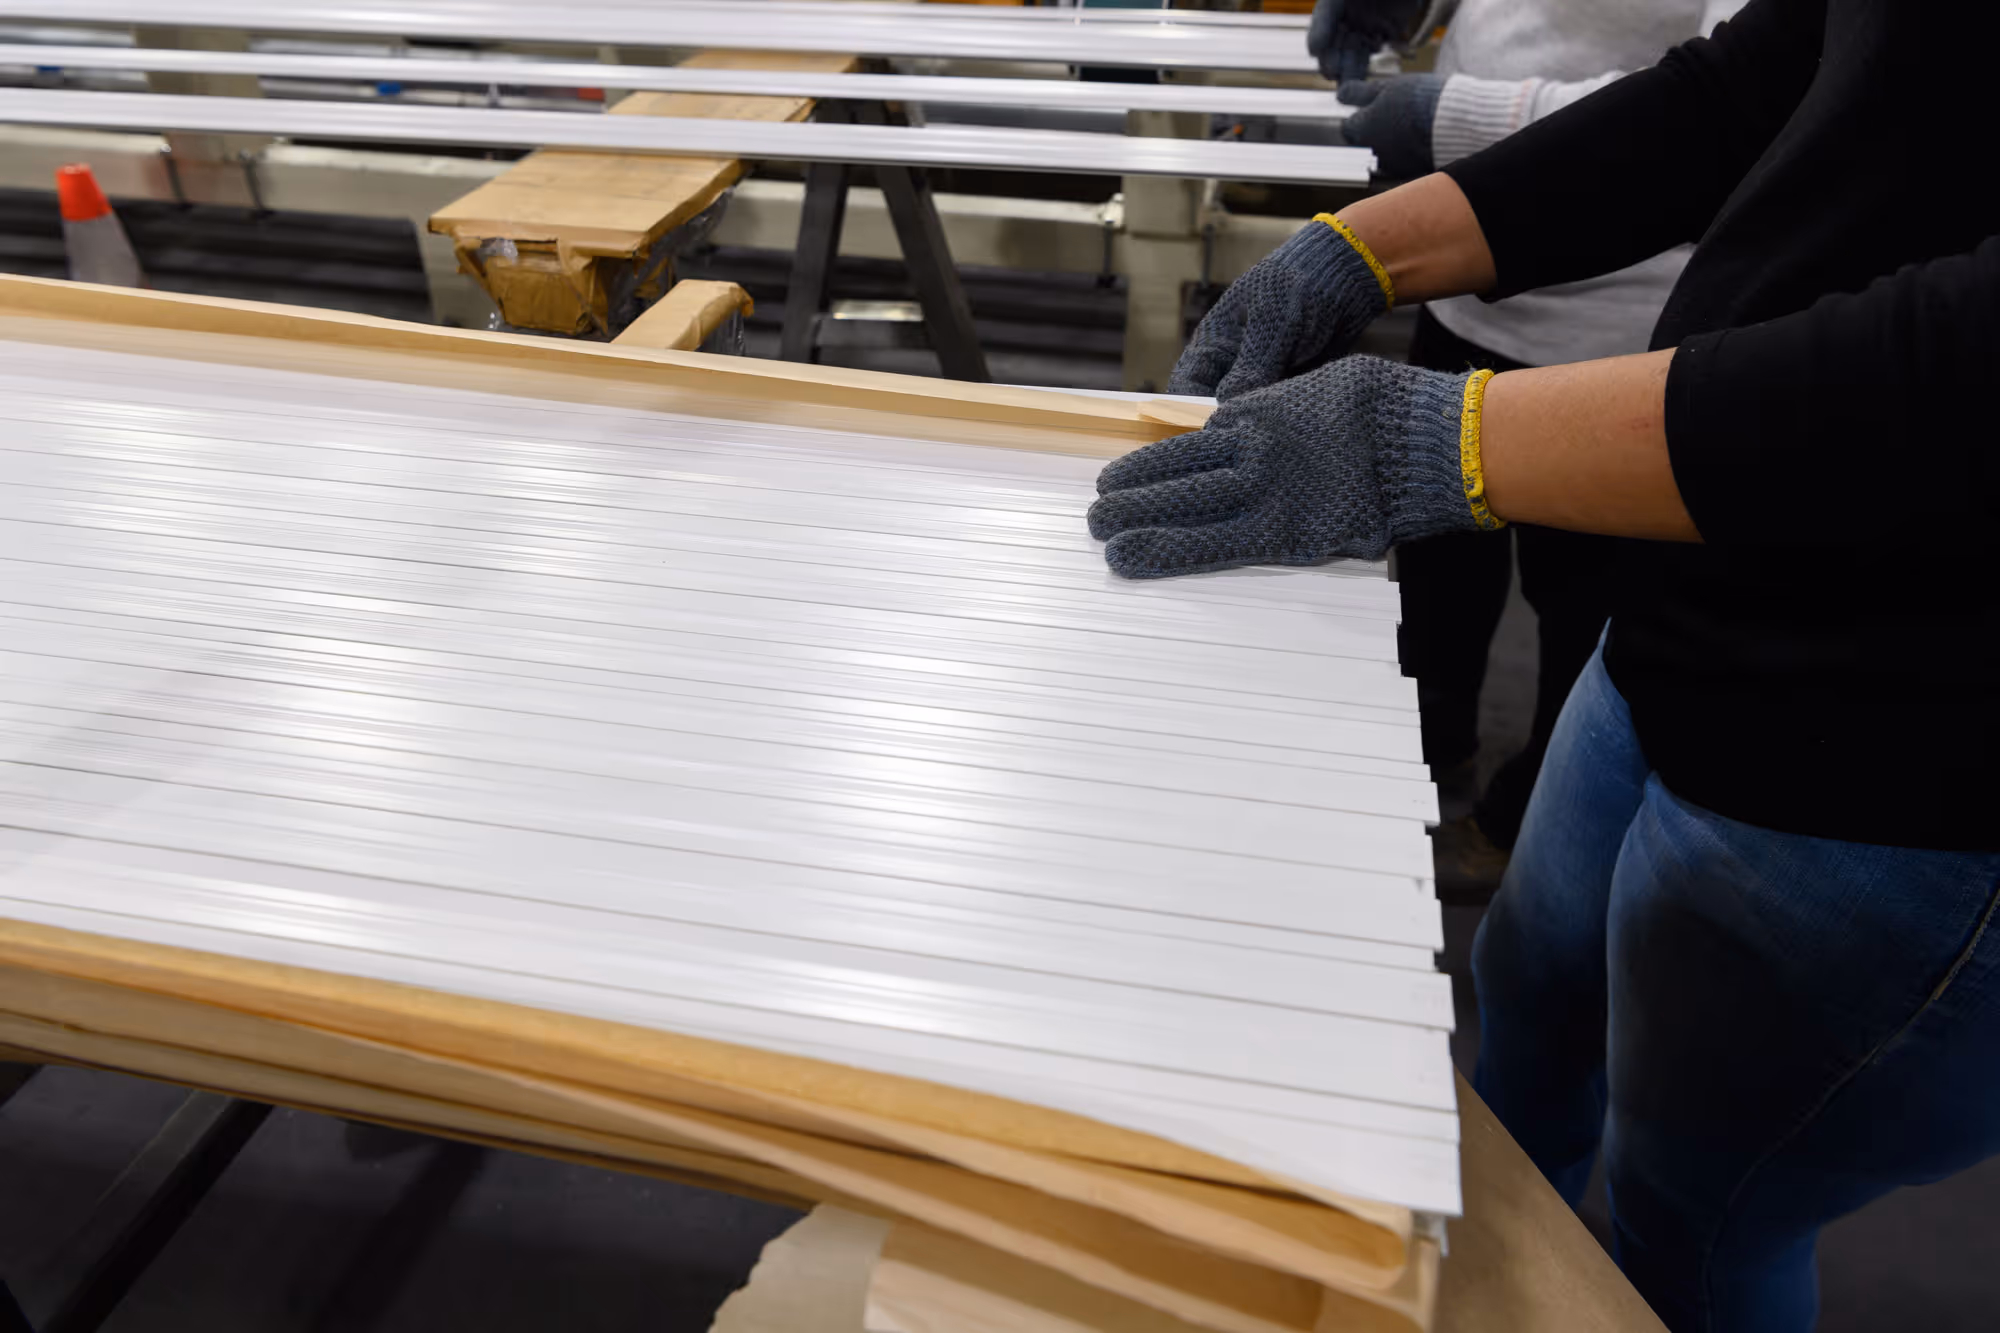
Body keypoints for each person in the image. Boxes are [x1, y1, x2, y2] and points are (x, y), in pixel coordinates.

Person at [1090, 2, 2000, 1330]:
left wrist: (1452, 443)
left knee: (1689, 1220)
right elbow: (1772, 76)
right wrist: (1367, 245)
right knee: (1524, 1011)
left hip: (1903, 751)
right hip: (1691, 619)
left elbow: (1966, 368)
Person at [1308, 0, 1746, 900]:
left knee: (1586, 615)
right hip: (1469, 277)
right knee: (1437, 577)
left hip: (1623, 320)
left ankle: (1522, 829)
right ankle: (1429, 762)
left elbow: (1736, 91)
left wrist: (1462, 121)